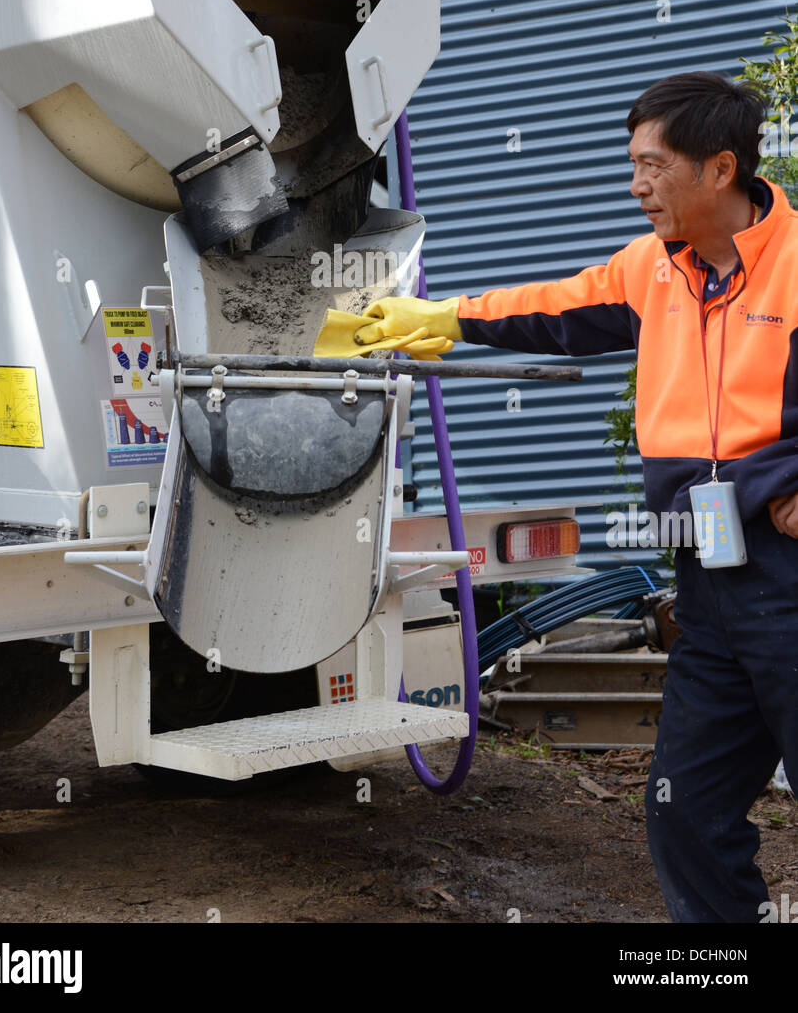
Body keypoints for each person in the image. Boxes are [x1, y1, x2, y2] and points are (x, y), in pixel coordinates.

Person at [339, 71, 798, 923]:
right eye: (632, 164)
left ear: (719, 168)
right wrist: (444, 319)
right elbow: (551, 308)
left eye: (652, 165)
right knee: (685, 812)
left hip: (787, 571)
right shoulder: (650, 269)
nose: (635, 185)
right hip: (708, 581)